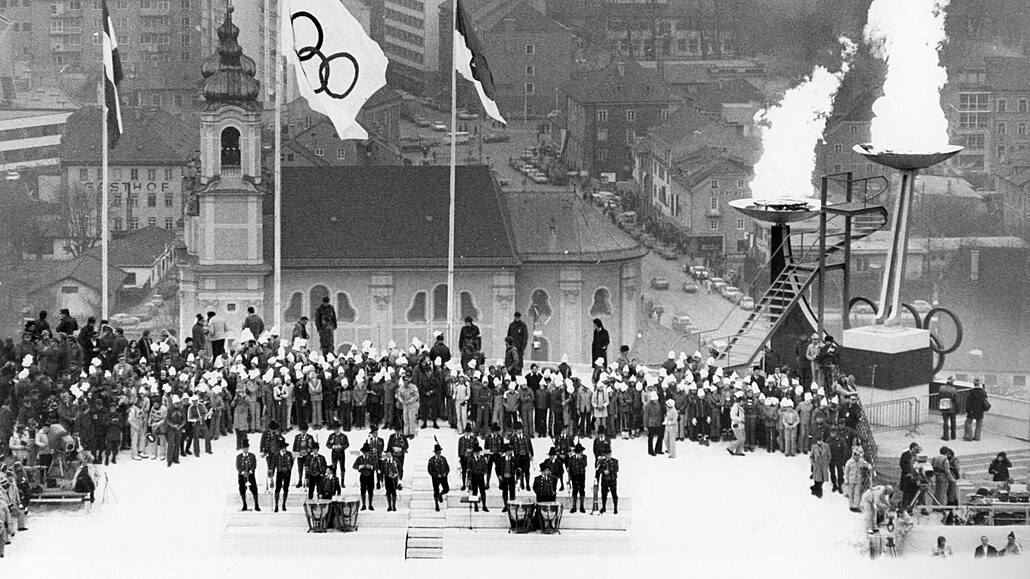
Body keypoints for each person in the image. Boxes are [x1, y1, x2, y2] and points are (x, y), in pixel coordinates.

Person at [844, 447, 872, 513]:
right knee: (851, 493)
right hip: (851, 480)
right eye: (855, 455)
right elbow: (846, 472)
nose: (857, 457)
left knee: (857, 493)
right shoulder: (849, 462)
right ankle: (851, 506)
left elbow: (866, 464)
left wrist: (869, 466)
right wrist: (846, 480)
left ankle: (856, 506)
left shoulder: (861, 461)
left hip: (858, 480)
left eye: (858, 456)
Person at [236, 438, 260, 511]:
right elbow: (238, 466)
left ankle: (256, 504)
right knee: (242, 489)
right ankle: (244, 504)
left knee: (254, 489)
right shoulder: (239, 457)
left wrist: (250, 472)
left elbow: (254, 465)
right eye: (243, 448)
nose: (245, 450)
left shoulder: (252, 456)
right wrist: (243, 473)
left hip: (250, 475)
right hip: (242, 476)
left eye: (246, 448)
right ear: (242, 449)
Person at [899, 442, 922, 513]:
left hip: (913, 478)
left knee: (913, 493)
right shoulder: (905, 455)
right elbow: (902, 464)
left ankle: (910, 508)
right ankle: (904, 508)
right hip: (907, 477)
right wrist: (909, 472)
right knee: (906, 493)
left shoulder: (917, 456)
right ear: (912, 448)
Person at [354, 442, 377, 511]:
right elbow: (354, 466)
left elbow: (376, 467)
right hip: (363, 475)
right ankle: (363, 504)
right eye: (365, 452)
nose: (366, 453)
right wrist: (361, 466)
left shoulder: (372, 458)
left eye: (367, 452)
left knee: (370, 490)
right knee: (363, 490)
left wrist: (371, 466)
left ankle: (370, 504)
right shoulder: (360, 458)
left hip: (371, 476)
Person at [595, 448, 619, 515]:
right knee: (604, 494)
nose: (608, 456)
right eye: (606, 455)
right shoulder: (602, 461)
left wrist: (609, 472)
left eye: (609, 454)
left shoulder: (615, 461)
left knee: (614, 494)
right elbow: (598, 470)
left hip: (612, 480)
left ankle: (615, 508)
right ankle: (604, 507)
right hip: (605, 480)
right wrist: (603, 471)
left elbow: (616, 469)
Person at [427, 443, 450, 512]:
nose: (439, 454)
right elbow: (430, 470)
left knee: (446, 489)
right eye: (437, 453)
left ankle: (441, 494)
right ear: (435, 453)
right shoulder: (431, 460)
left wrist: (445, 473)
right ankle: (436, 504)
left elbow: (447, 467)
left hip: (443, 477)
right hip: (436, 478)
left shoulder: (443, 459)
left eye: (439, 453)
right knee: (436, 491)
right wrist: (436, 475)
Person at [467, 444, 489, 512]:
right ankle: (476, 506)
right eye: (476, 451)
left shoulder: (482, 458)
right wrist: (469, 479)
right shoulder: (470, 459)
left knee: (483, 492)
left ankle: (484, 506)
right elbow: (469, 469)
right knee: (474, 492)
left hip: (481, 476)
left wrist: (484, 472)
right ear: (473, 452)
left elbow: (485, 466)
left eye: (478, 451)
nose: (477, 453)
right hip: (474, 476)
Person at [327, 421, 350, 486]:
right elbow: (327, 444)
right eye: (335, 429)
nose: (336, 430)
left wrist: (342, 447)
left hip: (341, 452)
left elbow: (347, 444)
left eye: (337, 428)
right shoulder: (331, 436)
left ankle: (342, 482)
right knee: (334, 467)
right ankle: (334, 481)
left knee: (342, 467)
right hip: (334, 452)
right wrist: (333, 446)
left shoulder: (343, 436)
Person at [496, 443, 517, 512]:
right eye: (508, 451)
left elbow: (517, 469)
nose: (509, 452)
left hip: (511, 477)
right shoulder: (501, 459)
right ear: (505, 452)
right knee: (505, 492)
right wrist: (499, 475)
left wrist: (516, 477)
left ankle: (512, 505)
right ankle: (506, 506)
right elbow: (497, 468)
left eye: (511, 451)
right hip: (503, 478)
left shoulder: (514, 459)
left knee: (512, 491)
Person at [272, 444, 294, 513]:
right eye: (282, 448)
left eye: (285, 448)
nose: (284, 449)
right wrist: (271, 474)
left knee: (286, 488)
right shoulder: (276, 455)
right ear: (280, 448)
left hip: (287, 473)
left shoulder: (289, 454)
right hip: (279, 472)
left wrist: (289, 468)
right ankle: (276, 505)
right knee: (277, 488)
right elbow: (273, 464)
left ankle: (284, 504)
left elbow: (291, 462)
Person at [292, 423, 314, 488]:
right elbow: (294, 447)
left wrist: (309, 450)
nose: (303, 432)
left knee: (307, 468)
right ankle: (300, 481)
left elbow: (313, 447)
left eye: (304, 431)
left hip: (307, 455)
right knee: (300, 469)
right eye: (302, 431)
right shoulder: (297, 437)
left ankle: (307, 481)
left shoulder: (310, 437)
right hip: (300, 455)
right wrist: (295, 454)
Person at [938, 377, 958, 441]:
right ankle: (953, 436)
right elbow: (956, 400)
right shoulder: (953, 389)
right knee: (953, 421)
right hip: (952, 407)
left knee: (945, 422)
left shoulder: (941, 388)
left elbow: (939, 397)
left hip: (944, 406)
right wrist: (958, 409)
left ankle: (946, 436)